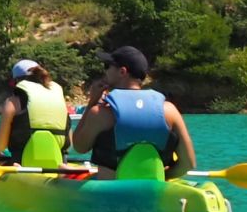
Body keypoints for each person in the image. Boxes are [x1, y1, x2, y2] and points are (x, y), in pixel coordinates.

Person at [67, 46, 195, 180]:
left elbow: (79, 147)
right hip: (154, 192)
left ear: (122, 71)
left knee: (65, 171)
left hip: (109, 193)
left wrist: (92, 103)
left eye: (108, 66)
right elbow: (188, 163)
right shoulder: (170, 110)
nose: (105, 71)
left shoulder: (101, 113)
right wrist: (163, 177)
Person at [0, 59, 70, 168]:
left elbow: (0, 146)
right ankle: (63, 168)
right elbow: (70, 143)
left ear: (16, 82)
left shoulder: (12, 102)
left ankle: (14, 166)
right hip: (58, 162)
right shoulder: (58, 99)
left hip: (23, 162)